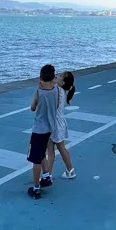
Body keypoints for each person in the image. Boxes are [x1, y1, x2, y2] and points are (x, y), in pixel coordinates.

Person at [27, 64, 59, 199]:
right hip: (49, 128)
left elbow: (32, 108)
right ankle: (46, 176)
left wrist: (38, 91)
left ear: (40, 77)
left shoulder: (38, 92)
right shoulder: (56, 90)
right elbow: (56, 105)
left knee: (36, 159)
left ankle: (36, 187)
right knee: (41, 153)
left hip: (38, 129)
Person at [43, 71, 77, 181]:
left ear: (62, 82)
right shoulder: (61, 90)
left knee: (50, 150)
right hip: (60, 123)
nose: (57, 75)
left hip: (53, 124)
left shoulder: (56, 91)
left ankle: (48, 176)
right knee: (61, 147)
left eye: (60, 76)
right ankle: (70, 170)